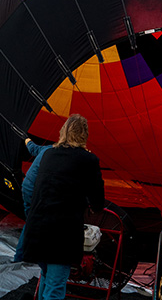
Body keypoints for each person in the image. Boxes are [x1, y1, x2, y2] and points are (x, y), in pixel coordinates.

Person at [21, 114, 105, 300]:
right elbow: (98, 201)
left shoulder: (49, 154)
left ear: (63, 132)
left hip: (37, 229)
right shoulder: (89, 160)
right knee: (56, 287)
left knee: (47, 277)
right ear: (84, 135)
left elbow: (31, 186)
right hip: (61, 234)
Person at [13, 137, 53, 262]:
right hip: (36, 191)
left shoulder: (47, 148)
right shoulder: (62, 156)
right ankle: (23, 256)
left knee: (31, 221)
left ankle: (22, 256)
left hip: (28, 187)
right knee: (34, 222)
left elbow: (33, 148)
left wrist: (26, 139)